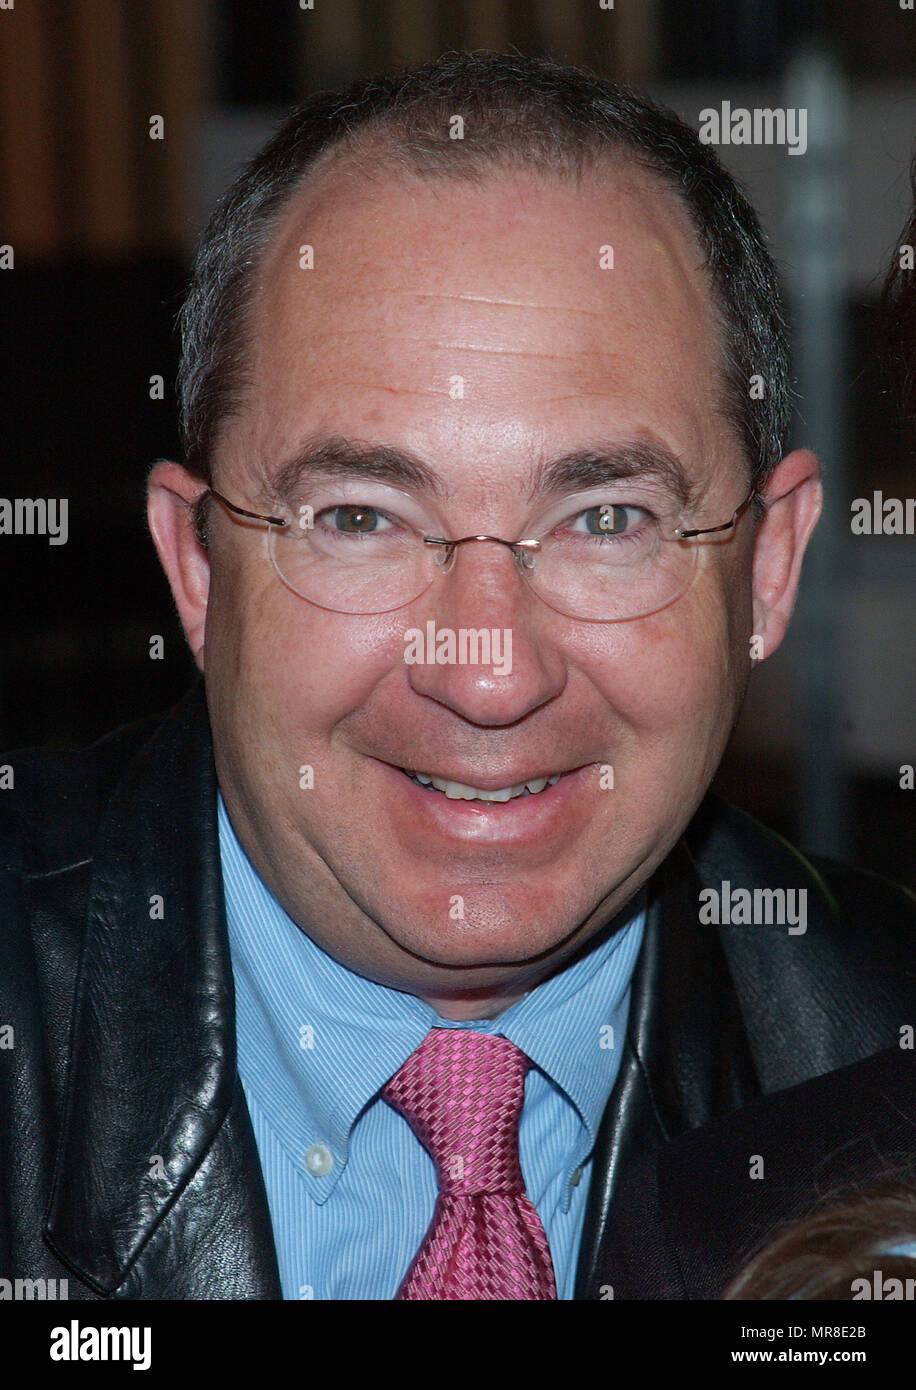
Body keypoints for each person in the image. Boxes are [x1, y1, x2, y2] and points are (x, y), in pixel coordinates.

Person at [1, 52, 913, 1302]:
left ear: (766, 571)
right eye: (362, 517)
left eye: (606, 520)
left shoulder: (886, 1069)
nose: (487, 678)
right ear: (197, 570)